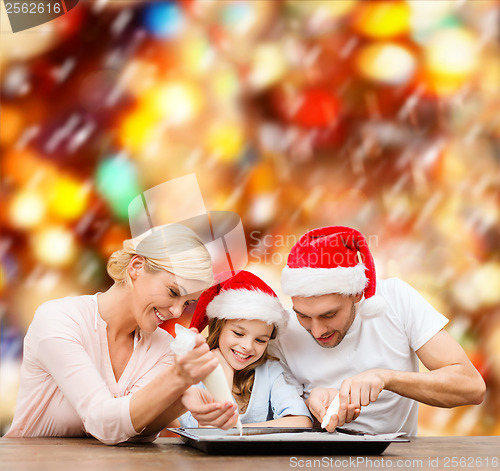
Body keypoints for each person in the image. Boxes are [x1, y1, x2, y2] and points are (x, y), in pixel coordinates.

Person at [5, 224, 239, 445]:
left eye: (187, 302)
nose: (177, 311)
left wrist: (179, 401)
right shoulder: (59, 319)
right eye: (172, 292)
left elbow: (132, 432)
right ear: (136, 267)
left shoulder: (164, 346)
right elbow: (102, 423)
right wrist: (177, 379)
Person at [270, 225, 486, 436]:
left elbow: (471, 387)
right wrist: (311, 407)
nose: (317, 331)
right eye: (303, 316)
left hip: (395, 459)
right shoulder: (283, 331)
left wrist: (386, 379)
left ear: (357, 293)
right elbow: (269, 418)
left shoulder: (396, 300)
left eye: (329, 315)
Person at [176, 270, 312, 428]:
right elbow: (206, 431)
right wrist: (224, 376)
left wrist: (236, 431)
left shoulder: (270, 371)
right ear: (218, 327)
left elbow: (301, 422)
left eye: (260, 340)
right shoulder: (192, 373)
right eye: (238, 333)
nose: (247, 346)